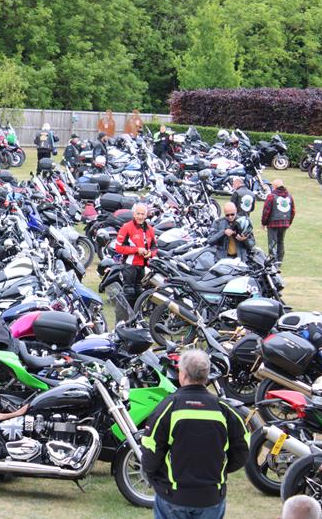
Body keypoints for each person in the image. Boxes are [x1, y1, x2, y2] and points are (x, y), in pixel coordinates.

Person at [141, 349, 249, 519]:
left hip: (173, 496)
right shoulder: (224, 409)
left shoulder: (168, 406)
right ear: (206, 375)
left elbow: (150, 449)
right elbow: (242, 448)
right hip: (211, 497)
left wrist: (156, 478)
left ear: (183, 375)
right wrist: (221, 470)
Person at [114, 202, 156, 309]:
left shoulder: (149, 229)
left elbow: (154, 247)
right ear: (134, 214)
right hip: (129, 265)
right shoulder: (126, 227)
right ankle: (123, 315)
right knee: (129, 291)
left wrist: (150, 253)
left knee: (138, 290)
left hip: (142, 265)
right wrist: (137, 250)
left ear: (146, 215)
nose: (140, 216)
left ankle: (136, 314)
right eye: (138, 214)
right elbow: (118, 248)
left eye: (142, 214)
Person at [261, 179, 295, 263]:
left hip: (273, 223)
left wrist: (263, 223)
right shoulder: (290, 196)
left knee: (272, 243)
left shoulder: (271, 196)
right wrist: (289, 222)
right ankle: (279, 260)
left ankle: (273, 261)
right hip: (285, 222)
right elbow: (293, 211)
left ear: (274, 186)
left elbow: (266, 211)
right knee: (281, 241)